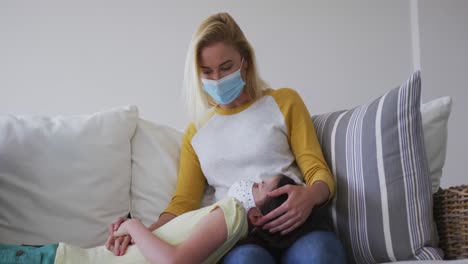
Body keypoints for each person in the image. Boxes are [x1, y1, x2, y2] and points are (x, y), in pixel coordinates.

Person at [108, 12, 346, 263]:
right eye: (207, 72)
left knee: (320, 255)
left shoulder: (284, 101)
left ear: (245, 61)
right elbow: (183, 204)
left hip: (295, 223)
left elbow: (317, 170)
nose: (217, 79)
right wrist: (137, 232)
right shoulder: (196, 132)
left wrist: (309, 197)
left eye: (226, 68)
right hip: (240, 237)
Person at [0, 175, 301, 264]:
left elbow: (175, 262)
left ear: (259, 216)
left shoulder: (232, 212)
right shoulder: (229, 220)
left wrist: (134, 225)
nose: (252, 181)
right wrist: (134, 232)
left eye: (261, 185)